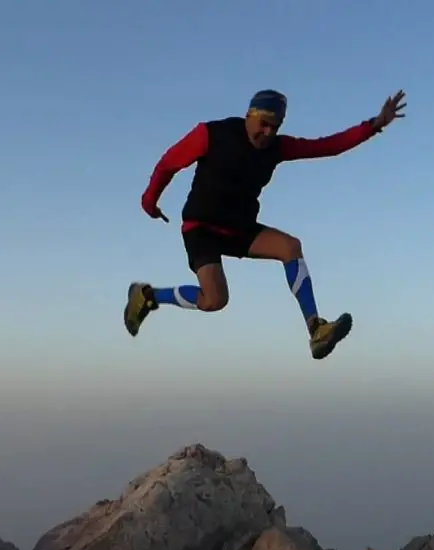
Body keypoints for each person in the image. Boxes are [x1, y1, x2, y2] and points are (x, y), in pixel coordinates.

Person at [124, 88, 406, 360]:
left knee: (290, 247)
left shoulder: (277, 148)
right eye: (264, 124)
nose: (269, 132)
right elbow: (168, 163)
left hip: (239, 228)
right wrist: (150, 201)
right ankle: (148, 296)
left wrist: (375, 124)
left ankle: (316, 329)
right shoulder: (211, 134)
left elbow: (326, 146)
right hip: (202, 227)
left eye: (276, 126)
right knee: (215, 300)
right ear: (249, 115)